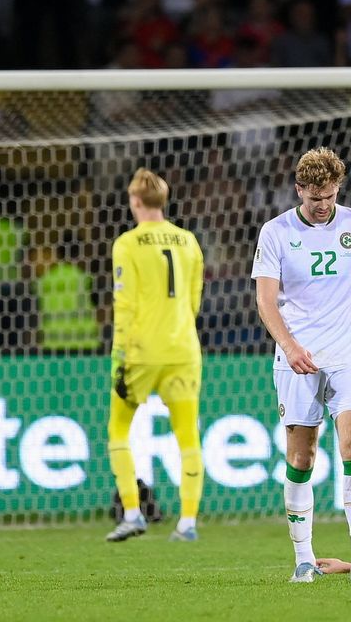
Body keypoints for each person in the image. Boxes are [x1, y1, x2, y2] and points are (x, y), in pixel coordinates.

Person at [251, 147, 351, 583]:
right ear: (299, 189)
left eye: (330, 195)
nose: (323, 205)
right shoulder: (276, 233)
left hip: (347, 354)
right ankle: (304, 559)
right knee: (301, 458)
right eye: (314, 197)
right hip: (298, 360)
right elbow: (266, 300)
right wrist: (288, 345)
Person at [106, 168, 205, 543]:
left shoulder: (127, 244)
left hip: (140, 352)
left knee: (118, 431)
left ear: (134, 201)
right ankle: (188, 522)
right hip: (183, 349)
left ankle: (132, 512)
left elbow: (124, 302)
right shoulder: (189, 241)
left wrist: (119, 353)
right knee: (187, 437)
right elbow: (194, 299)